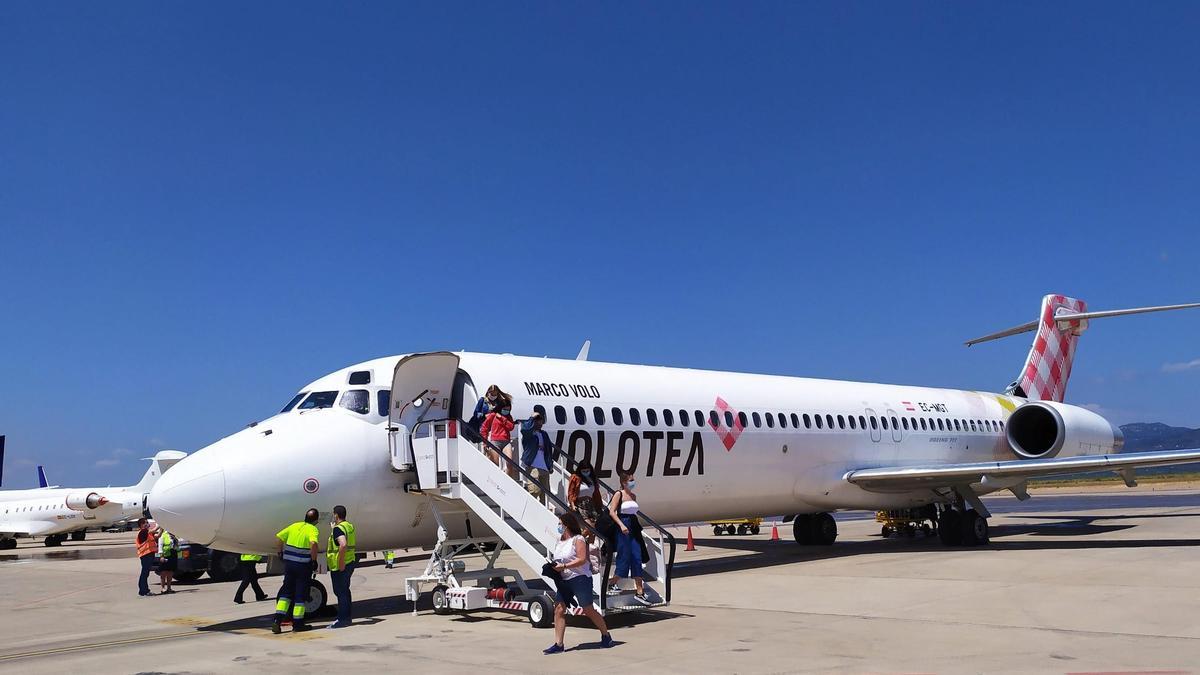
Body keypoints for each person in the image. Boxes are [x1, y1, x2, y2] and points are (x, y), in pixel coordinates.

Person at [543, 512, 614, 654]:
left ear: (567, 525)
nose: (559, 526)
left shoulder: (578, 539)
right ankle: (559, 644)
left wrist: (564, 566)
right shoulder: (560, 541)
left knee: (587, 609)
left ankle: (606, 635)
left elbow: (582, 559)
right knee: (559, 609)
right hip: (564, 580)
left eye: (560, 524)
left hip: (580, 578)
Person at [272, 508, 321, 634]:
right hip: (302, 566)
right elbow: (313, 543)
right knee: (300, 594)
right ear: (316, 520)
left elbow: (279, 537)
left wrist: (280, 552)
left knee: (286, 593)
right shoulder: (312, 529)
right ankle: (298, 624)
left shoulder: (294, 526)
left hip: (289, 565)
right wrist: (314, 560)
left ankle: (277, 621)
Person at [607, 471, 647, 604]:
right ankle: (612, 582)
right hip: (622, 525)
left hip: (633, 525)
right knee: (624, 555)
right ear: (624, 482)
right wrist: (621, 525)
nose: (633, 482)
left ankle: (640, 591)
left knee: (637, 556)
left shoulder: (633, 496)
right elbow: (612, 512)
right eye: (631, 480)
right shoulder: (619, 494)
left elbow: (633, 512)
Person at [326, 504, 356, 629]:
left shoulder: (338, 529)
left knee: (340, 591)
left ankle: (343, 619)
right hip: (350, 561)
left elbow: (343, 544)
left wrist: (341, 562)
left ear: (336, 515)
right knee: (345, 590)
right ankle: (347, 617)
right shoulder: (348, 526)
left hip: (340, 565)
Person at [520, 411, 556, 502]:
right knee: (535, 490)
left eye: (541, 421)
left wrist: (550, 465)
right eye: (537, 421)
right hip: (533, 465)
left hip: (544, 466)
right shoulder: (529, 434)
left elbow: (548, 450)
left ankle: (543, 510)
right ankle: (529, 506)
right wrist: (532, 417)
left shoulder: (544, 434)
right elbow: (525, 429)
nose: (540, 423)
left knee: (545, 494)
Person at [480, 403, 517, 478]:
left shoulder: (508, 417)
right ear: (500, 408)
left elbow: (511, 427)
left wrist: (502, 418)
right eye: (505, 409)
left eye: (508, 410)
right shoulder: (493, 415)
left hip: (506, 442)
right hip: (495, 441)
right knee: (495, 463)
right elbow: (484, 428)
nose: (506, 411)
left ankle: (508, 480)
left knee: (509, 462)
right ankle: (494, 479)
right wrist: (485, 442)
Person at [135, 518, 157, 597]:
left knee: (145, 573)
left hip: (149, 554)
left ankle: (143, 590)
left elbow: (157, 535)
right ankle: (144, 590)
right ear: (142, 525)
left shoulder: (148, 533)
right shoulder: (143, 531)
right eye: (146, 523)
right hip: (145, 555)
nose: (148, 524)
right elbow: (154, 530)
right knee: (144, 573)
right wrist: (160, 524)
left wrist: (162, 529)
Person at [156, 527, 177, 594]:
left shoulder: (173, 536)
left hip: (172, 555)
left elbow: (176, 545)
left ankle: (169, 588)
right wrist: (161, 556)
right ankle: (163, 588)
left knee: (170, 572)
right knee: (163, 572)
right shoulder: (163, 535)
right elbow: (160, 546)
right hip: (165, 555)